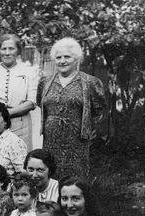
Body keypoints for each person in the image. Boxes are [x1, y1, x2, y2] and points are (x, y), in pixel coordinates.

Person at [37, 37, 106, 180]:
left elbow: (98, 110)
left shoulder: (90, 82)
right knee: (52, 176)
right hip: (51, 140)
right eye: (58, 57)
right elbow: (41, 104)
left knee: (76, 180)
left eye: (67, 57)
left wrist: (88, 130)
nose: (62, 61)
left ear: (76, 59)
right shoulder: (45, 82)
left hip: (77, 141)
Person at [0, 34, 38, 150]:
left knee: (19, 160)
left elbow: (31, 102)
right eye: (3, 49)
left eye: (11, 48)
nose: (7, 53)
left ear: (18, 51)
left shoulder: (29, 73)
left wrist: (6, 113)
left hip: (20, 126)